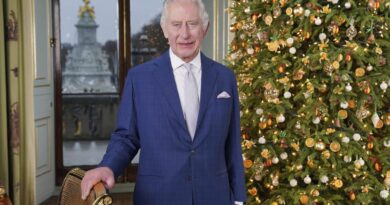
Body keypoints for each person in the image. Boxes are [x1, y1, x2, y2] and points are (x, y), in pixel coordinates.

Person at [81, 0, 246, 204]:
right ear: (165, 29)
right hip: (158, 196)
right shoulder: (139, 78)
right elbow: (126, 137)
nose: (184, 34)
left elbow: (232, 144)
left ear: (205, 28)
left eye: (192, 24)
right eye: (176, 24)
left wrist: (238, 198)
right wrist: (107, 166)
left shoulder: (225, 78)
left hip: (215, 196)